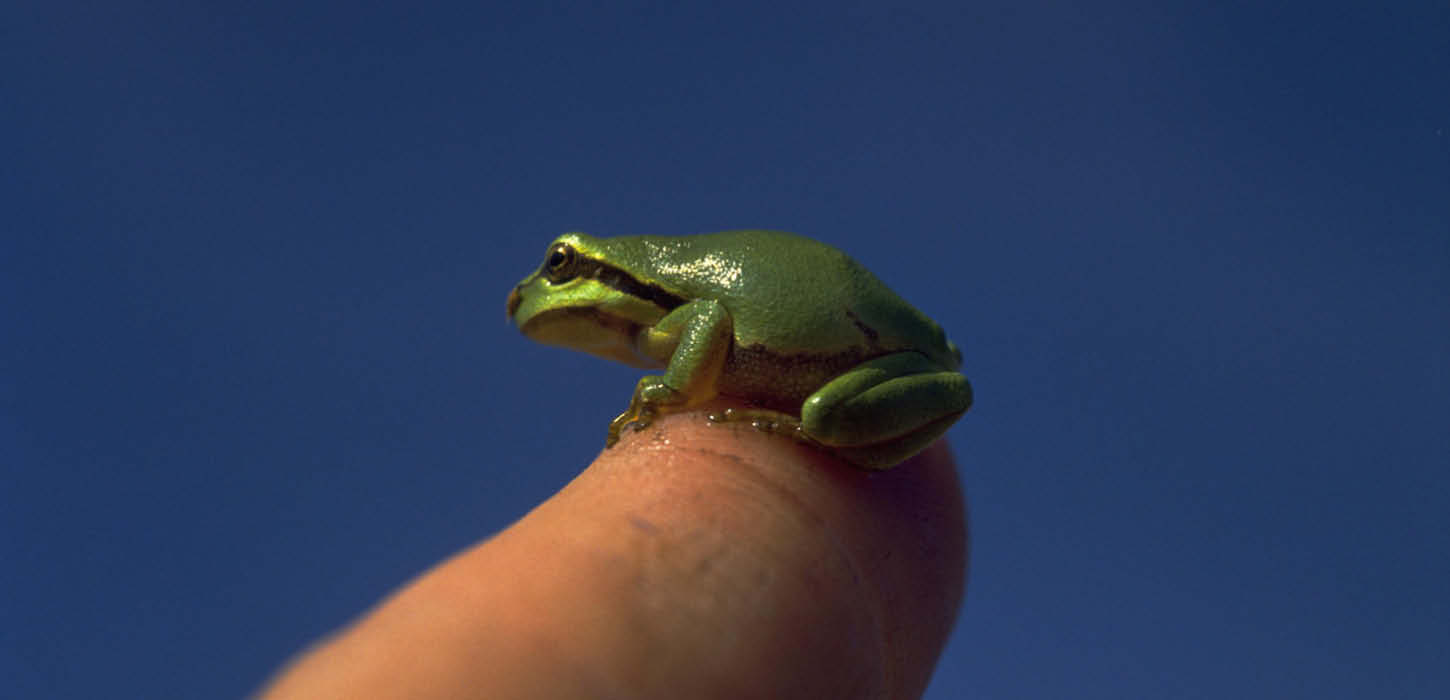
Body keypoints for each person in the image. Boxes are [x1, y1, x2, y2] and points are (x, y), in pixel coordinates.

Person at [260, 402, 967, 699]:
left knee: (819, 417)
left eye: (564, 268)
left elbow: (709, 323)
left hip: (845, 363)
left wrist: (672, 392)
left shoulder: (678, 310)